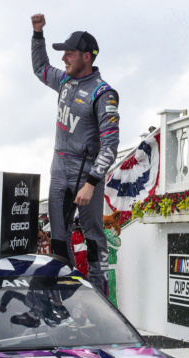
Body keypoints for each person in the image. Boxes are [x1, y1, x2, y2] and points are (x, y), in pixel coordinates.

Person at [32, 13, 119, 295]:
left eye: (69, 54)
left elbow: (111, 145)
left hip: (86, 173)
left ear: (86, 57)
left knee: (93, 240)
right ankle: (66, 297)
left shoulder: (103, 93)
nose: (64, 59)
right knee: (59, 240)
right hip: (59, 169)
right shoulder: (64, 81)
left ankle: (99, 299)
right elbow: (40, 68)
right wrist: (37, 34)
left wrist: (91, 183)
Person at [103, 212, 122, 306]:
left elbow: (116, 244)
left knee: (112, 297)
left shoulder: (116, 239)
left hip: (111, 270)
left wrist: (105, 232)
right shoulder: (99, 236)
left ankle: (114, 312)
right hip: (100, 269)